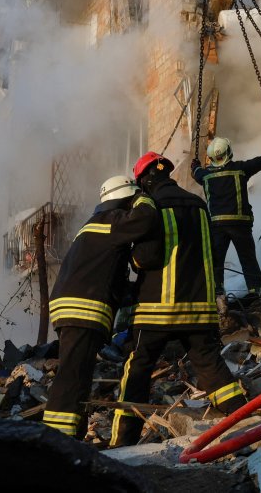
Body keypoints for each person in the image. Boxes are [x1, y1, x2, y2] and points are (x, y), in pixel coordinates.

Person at [110, 152, 248, 447]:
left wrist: (133, 261)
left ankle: (122, 442)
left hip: (157, 309)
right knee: (210, 365)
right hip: (199, 308)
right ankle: (244, 421)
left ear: (145, 180)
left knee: (137, 370)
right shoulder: (198, 204)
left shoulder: (152, 206)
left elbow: (146, 257)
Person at [43, 176, 158, 438]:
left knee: (79, 372)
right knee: (72, 374)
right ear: (124, 201)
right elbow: (145, 220)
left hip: (70, 307)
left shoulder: (94, 226)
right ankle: (56, 437)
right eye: (130, 201)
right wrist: (144, 197)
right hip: (83, 308)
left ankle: (71, 432)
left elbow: (108, 276)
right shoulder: (113, 222)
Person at [191, 135, 261, 297]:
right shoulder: (241, 169)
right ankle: (256, 292)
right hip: (240, 225)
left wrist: (195, 165)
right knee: (248, 259)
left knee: (216, 261)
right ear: (229, 152)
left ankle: (217, 293)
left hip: (217, 226)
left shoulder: (205, 176)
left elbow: (196, 173)